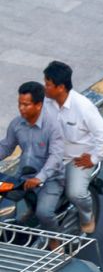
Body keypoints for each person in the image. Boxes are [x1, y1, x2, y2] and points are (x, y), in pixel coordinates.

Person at [43, 61, 103, 234]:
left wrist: (94, 158)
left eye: (48, 84)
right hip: (54, 155)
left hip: (78, 159)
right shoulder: (46, 102)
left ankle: (87, 216)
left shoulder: (83, 107)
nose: (45, 88)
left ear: (60, 87)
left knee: (75, 193)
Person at [0, 82, 64, 233]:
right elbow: (6, 146)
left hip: (51, 178)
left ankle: (55, 240)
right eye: (19, 104)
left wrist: (40, 177)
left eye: (26, 105)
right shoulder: (17, 124)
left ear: (38, 105)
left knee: (44, 213)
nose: (21, 108)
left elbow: (55, 157)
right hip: (24, 175)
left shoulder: (53, 126)